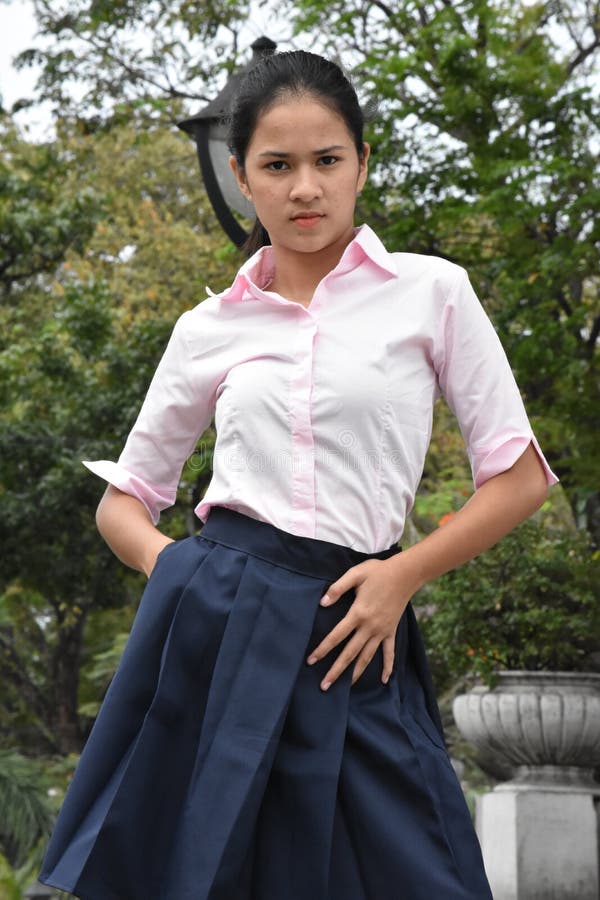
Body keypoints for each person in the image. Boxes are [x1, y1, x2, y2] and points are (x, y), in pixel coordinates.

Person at [39, 49, 558, 900]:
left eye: (327, 161)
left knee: (419, 871)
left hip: (357, 619)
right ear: (243, 176)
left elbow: (520, 476)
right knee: (210, 874)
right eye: (278, 166)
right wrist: (177, 568)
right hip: (218, 615)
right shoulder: (209, 327)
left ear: (362, 162)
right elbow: (124, 500)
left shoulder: (433, 293)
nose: (305, 188)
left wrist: (404, 575)